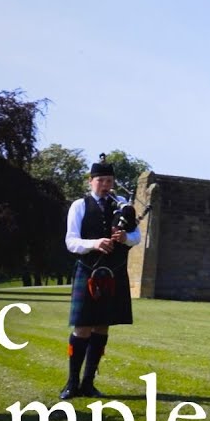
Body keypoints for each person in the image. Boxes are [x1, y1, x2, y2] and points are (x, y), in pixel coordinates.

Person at [60, 155, 141, 400]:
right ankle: (72, 383)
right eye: (100, 180)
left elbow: (136, 236)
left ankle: (88, 382)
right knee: (82, 327)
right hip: (88, 269)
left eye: (109, 180)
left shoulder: (122, 205)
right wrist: (96, 243)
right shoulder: (80, 205)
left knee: (102, 327)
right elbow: (71, 242)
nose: (105, 184)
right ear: (91, 181)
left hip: (114, 271)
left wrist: (123, 239)